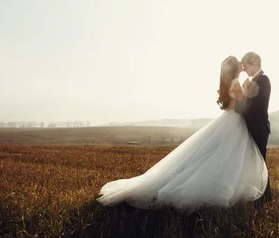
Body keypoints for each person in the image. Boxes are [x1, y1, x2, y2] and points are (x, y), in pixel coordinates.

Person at [97, 56, 267, 212]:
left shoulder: (231, 82)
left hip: (230, 122)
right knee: (227, 158)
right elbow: (241, 105)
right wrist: (246, 90)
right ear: (234, 69)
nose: (241, 65)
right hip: (234, 123)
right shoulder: (236, 83)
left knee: (220, 157)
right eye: (238, 63)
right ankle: (224, 190)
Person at [233, 52, 273, 205]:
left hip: (259, 127)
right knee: (254, 162)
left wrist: (236, 106)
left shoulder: (263, 79)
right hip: (253, 126)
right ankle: (259, 196)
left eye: (246, 66)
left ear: (255, 63)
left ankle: (264, 197)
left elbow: (257, 106)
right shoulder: (254, 80)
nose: (245, 70)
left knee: (260, 161)